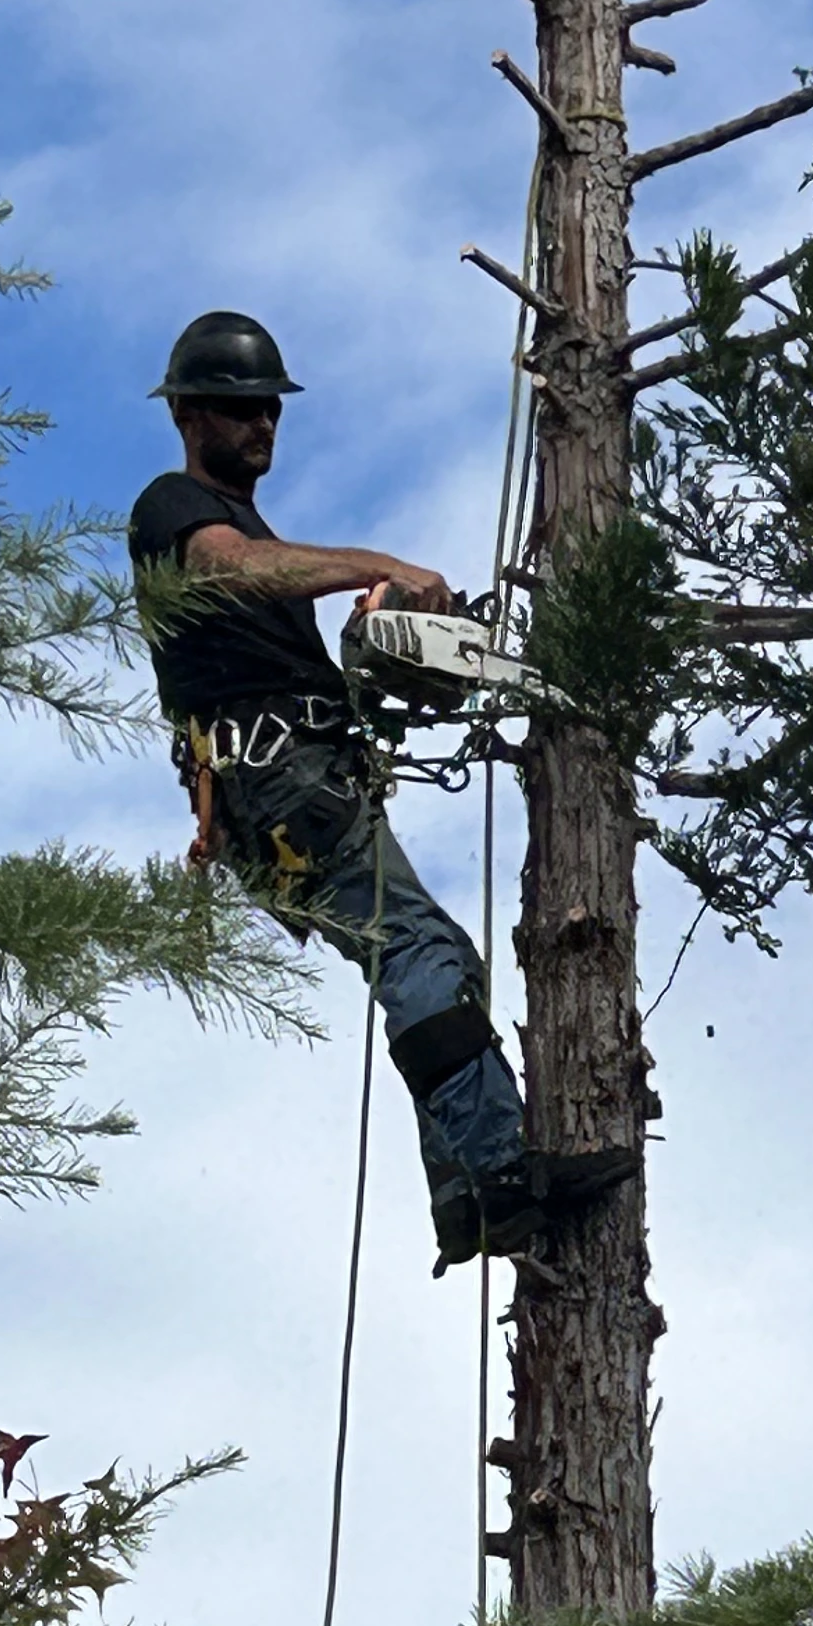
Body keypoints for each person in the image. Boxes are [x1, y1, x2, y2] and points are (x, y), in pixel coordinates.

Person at [126, 308, 632, 1269]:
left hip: (285, 789)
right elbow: (233, 573)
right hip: (279, 786)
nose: (262, 427)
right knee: (421, 951)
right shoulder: (172, 512)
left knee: (432, 959)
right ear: (189, 415)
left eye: (270, 410)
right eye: (240, 410)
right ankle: (501, 1178)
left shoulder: (247, 525)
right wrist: (381, 566)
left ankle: (468, 1202)